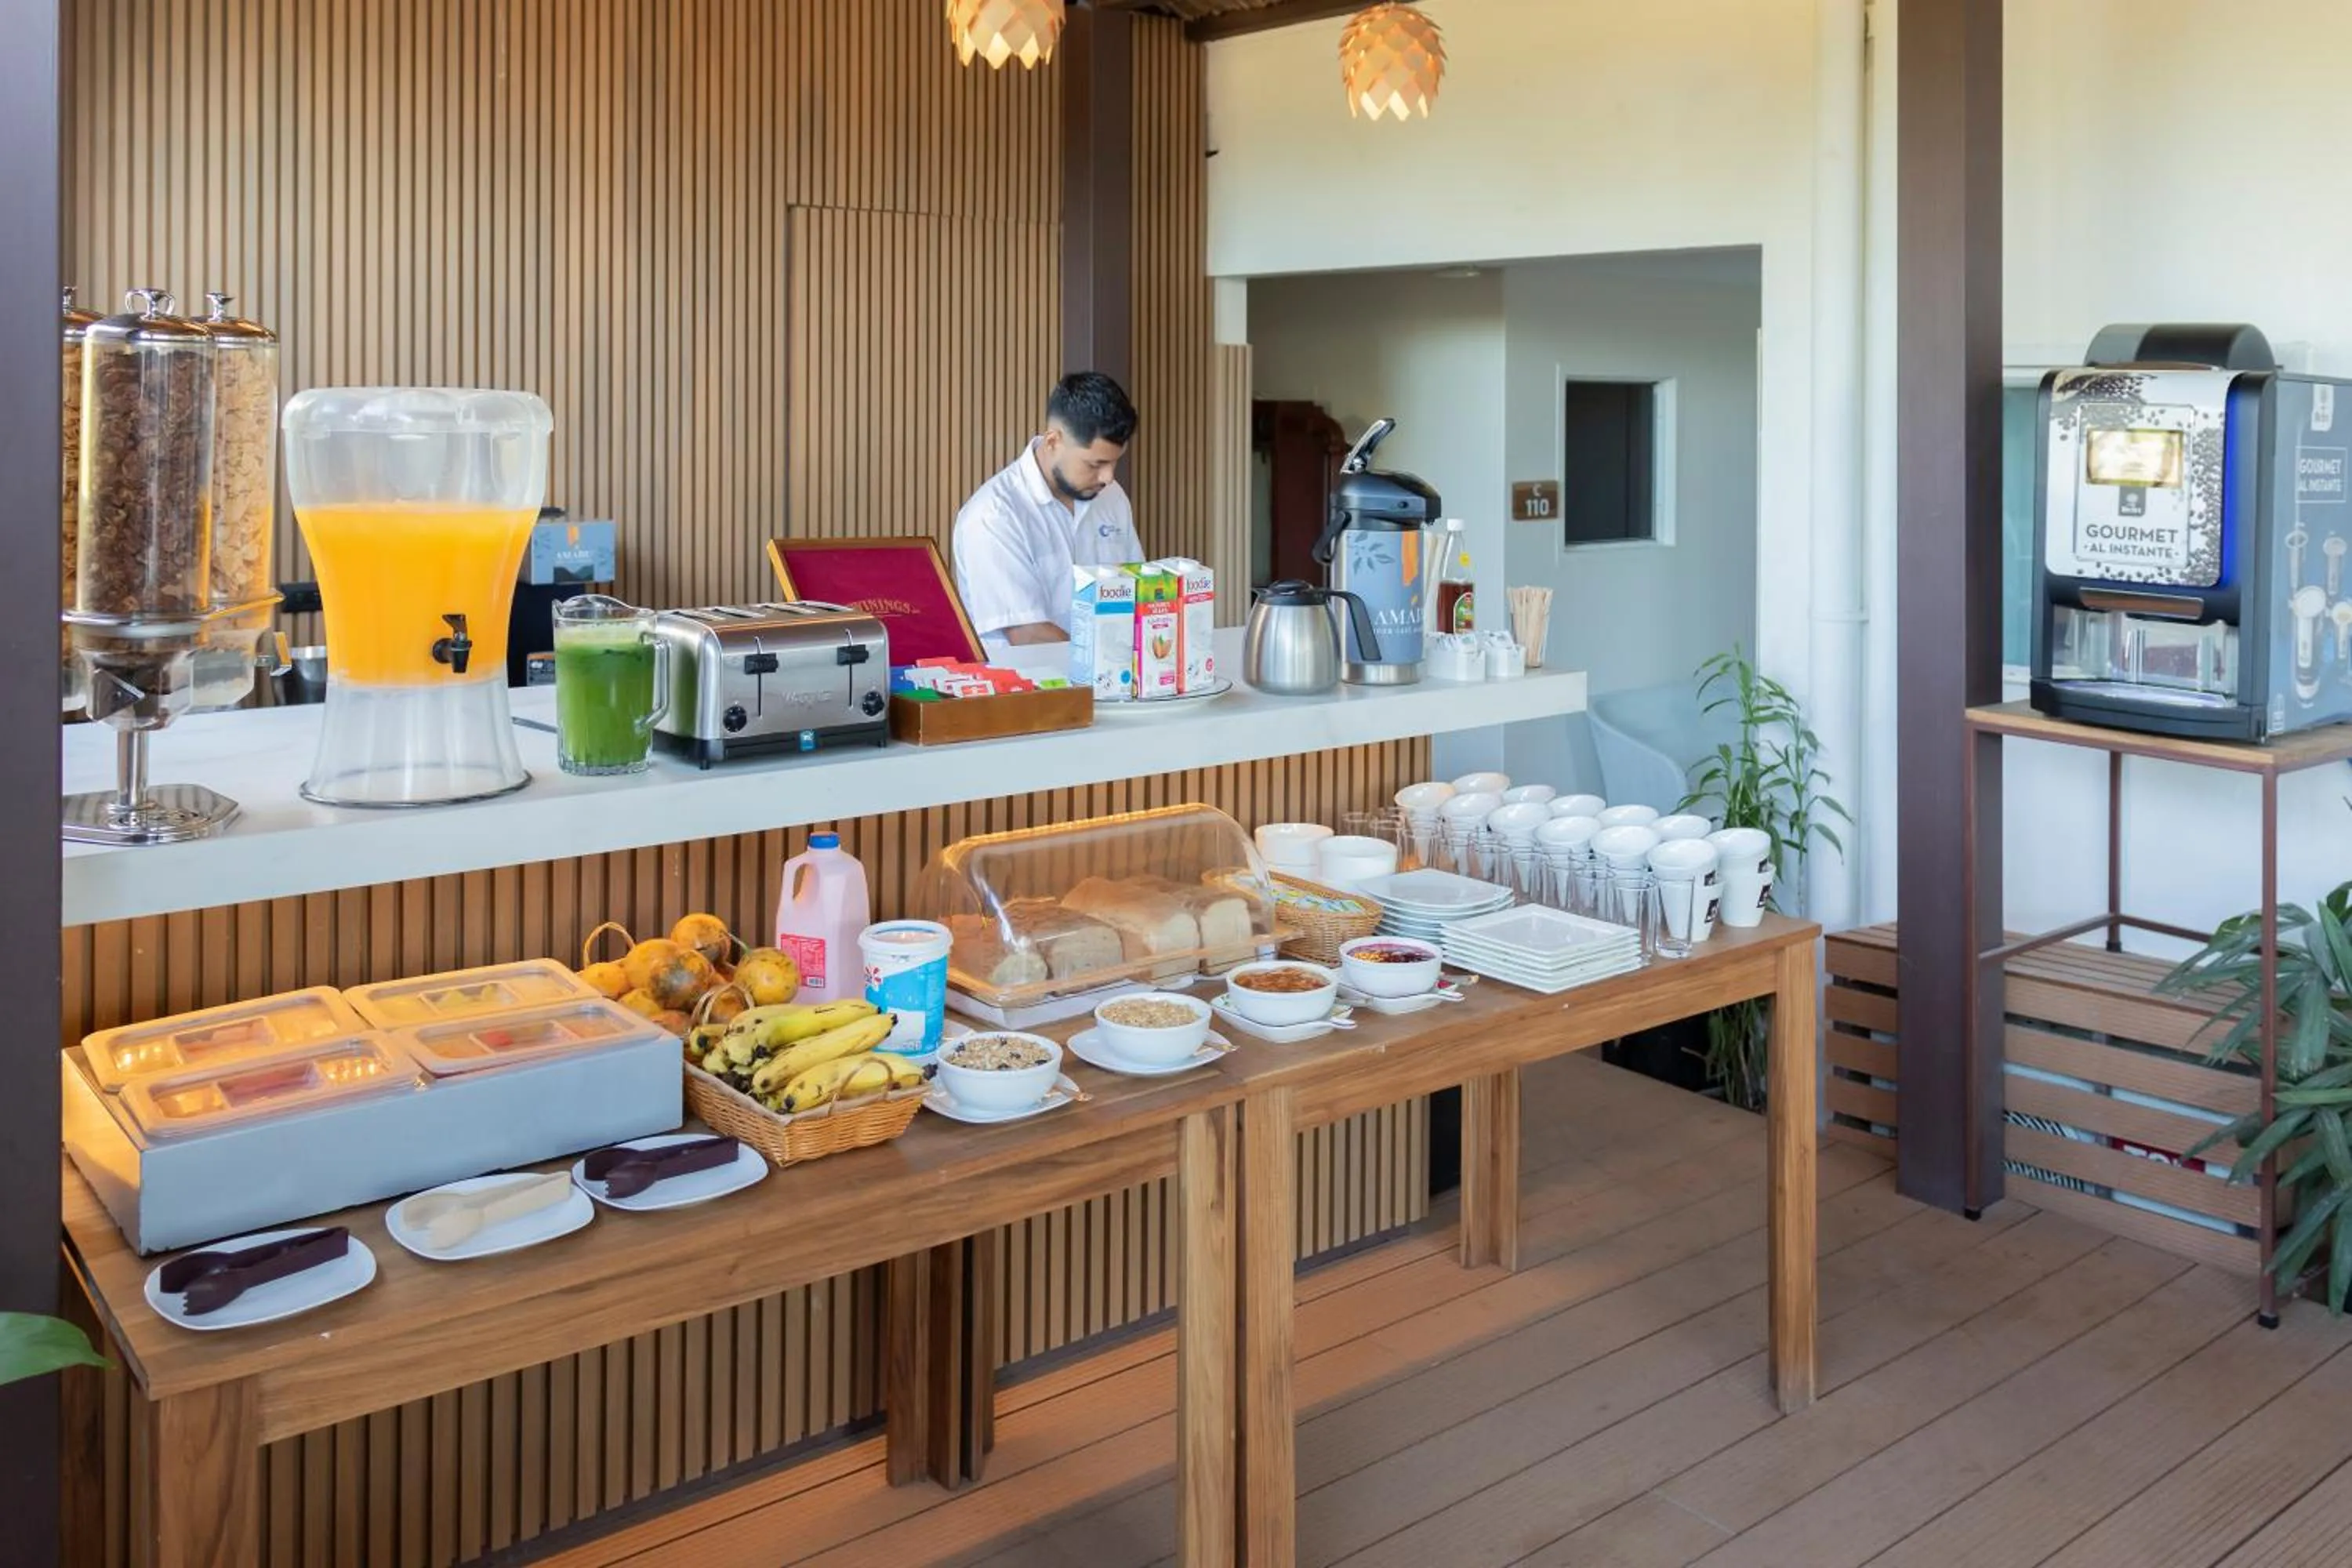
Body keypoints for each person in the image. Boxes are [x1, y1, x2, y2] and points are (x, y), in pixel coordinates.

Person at [952, 372, 1142, 652]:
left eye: (1115, 462)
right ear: (1053, 441)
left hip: (1114, 684)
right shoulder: (993, 515)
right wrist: (1112, 662)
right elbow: (1028, 633)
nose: (1108, 477)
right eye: (1095, 464)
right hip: (1031, 688)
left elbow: (1138, 592)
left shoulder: (1110, 496)